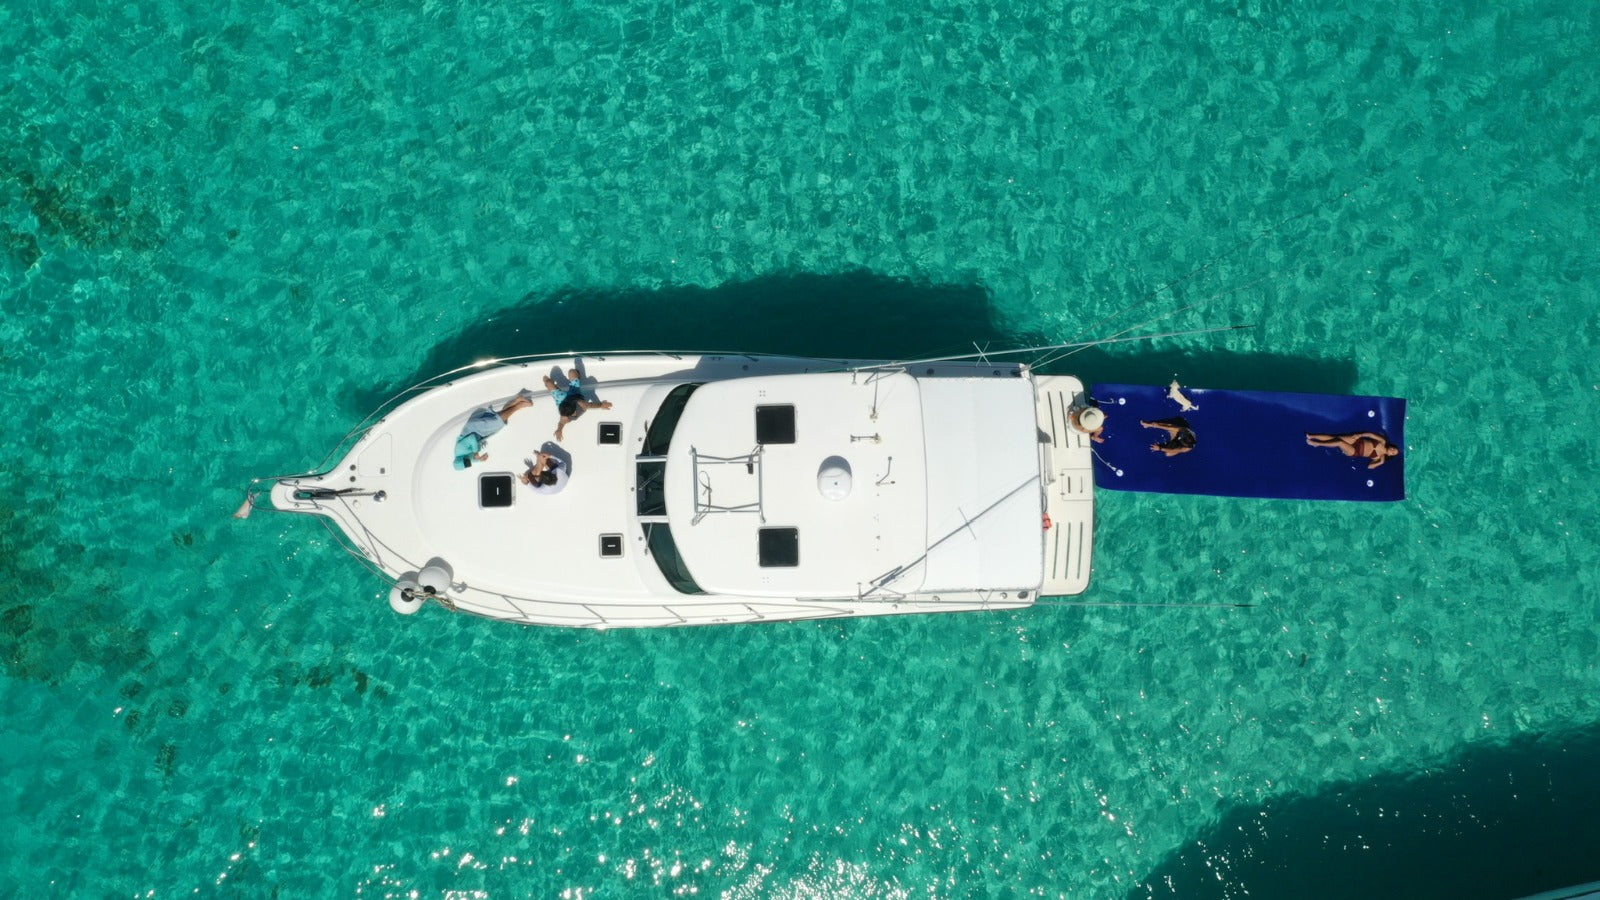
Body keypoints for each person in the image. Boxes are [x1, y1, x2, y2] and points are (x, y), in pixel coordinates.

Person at [452, 392, 534, 469]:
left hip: (475, 429)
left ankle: (519, 405)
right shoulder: (462, 456)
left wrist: (476, 452)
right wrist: (479, 459)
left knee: (498, 421)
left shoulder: (460, 449)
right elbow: (471, 458)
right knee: (497, 419)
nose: (468, 461)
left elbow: (472, 438)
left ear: (461, 460)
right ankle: (517, 400)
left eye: (466, 462)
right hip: (478, 431)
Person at [545, 369, 613, 441]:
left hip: (573, 396)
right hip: (564, 400)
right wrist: (559, 429)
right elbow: (561, 423)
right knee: (548, 382)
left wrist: (601, 405)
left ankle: (553, 383)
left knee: (571, 372)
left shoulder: (580, 403)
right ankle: (549, 383)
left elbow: (591, 405)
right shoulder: (568, 413)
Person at [1306, 431, 1399, 469]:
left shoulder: (1379, 458)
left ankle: (1318, 444)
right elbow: (1370, 435)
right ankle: (1312, 436)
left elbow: (1369, 467)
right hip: (1357, 441)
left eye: (1393, 452)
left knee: (1339, 442)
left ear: (1390, 455)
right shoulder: (1383, 441)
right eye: (1394, 448)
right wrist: (1360, 435)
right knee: (1334, 437)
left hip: (1354, 451)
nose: (1392, 450)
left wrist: (1380, 463)